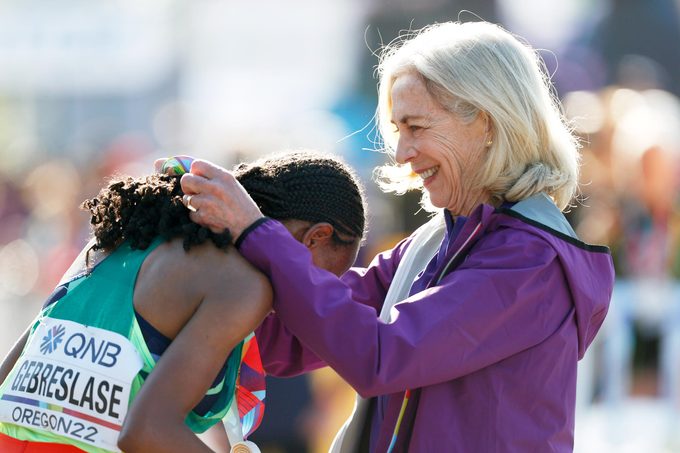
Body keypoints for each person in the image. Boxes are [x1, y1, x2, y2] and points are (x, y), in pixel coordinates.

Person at [167, 21, 615, 452]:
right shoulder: (435, 241)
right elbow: (293, 338)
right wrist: (174, 297)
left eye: (416, 127)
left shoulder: (532, 260)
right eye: (399, 131)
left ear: (486, 122)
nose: (402, 153)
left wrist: (255, 231)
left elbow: (381, 355)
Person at [0, 150, 366, 453]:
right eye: (322, 277)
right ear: (315, 238)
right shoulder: (244, 285)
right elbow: (146, 431)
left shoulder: (120, 240)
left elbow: (10, 379)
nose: (310, 290)